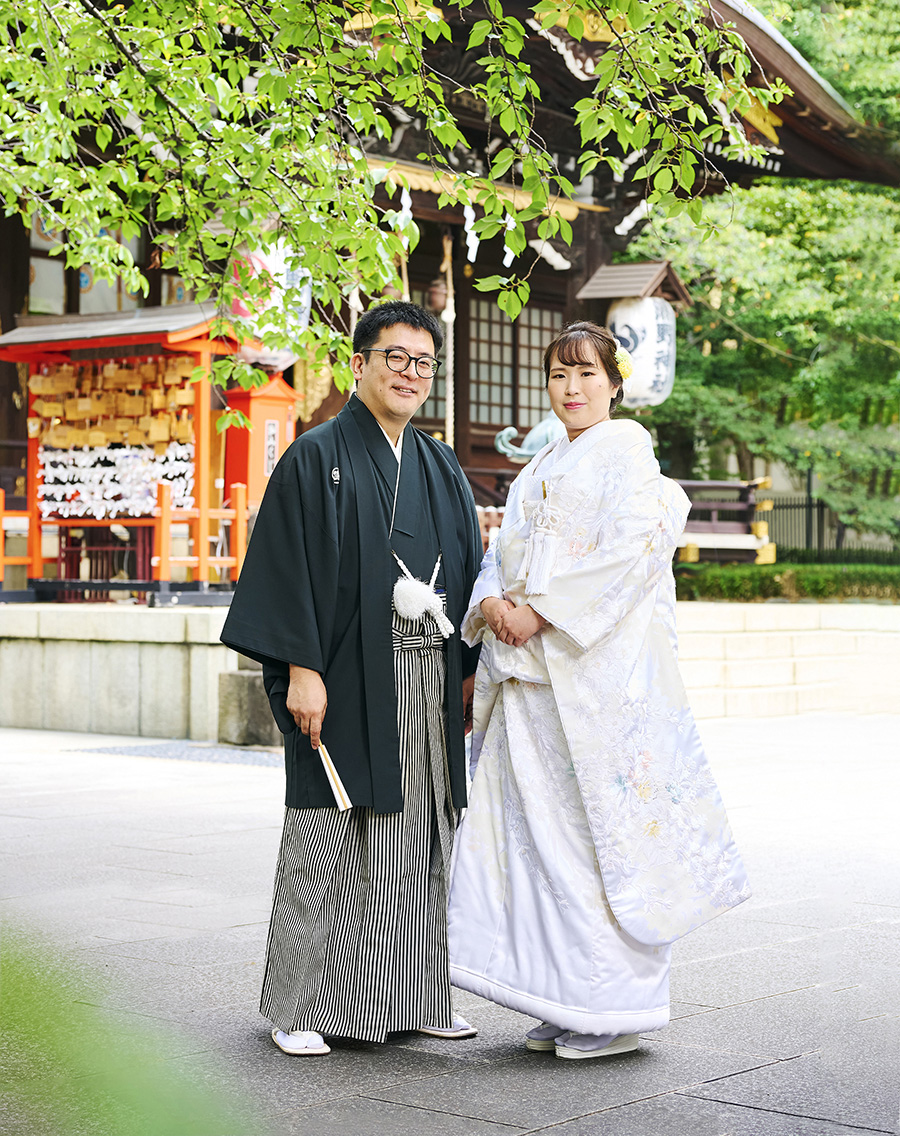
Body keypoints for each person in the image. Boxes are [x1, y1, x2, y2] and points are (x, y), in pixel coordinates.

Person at [447, 321, 751, 1060]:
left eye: (586, 374)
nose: (571, 388)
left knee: (594, 842)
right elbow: (500, 553)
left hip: (591, 681)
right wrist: (492, 604)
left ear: (615, 384)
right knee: (536, 842)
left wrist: (540, 612)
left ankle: (615, 1009)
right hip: (531, 682)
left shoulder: (629, 454)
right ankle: (561, 998)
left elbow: (632, 553)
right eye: (558, 375)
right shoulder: (538, 467)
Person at [221, 300, 483, 1056]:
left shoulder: (439, 466)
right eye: (396, 357)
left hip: (426, 676)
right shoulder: (316, 456)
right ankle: (296, 1006)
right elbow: (287, 569)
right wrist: (300, 669)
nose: (410, 373)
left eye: (424, 362)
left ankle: (417, 999)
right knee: (326, 832)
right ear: (360, 363)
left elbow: (467, 570)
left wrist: (467, 675)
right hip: (338, 674)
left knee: (421, 834)